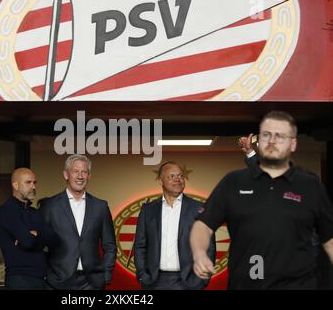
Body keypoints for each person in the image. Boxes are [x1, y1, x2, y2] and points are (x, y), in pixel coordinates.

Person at [190, 111, 333, 289]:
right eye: (266, 135)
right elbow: (203, 224)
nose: (272, 141)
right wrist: (199, 253)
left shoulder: (310, 185)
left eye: (280, 136)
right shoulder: (234, 182)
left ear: (293, 144)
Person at [38, 154, 116, 290]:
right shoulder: (50, 206)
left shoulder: (101, 207)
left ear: (89, 176)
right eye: (76, 171)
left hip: (92, 283)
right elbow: (41, 245)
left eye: (84, 172)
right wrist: (47, 275)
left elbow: (110, 246)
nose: (80, 176)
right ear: (66, 174)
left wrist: (105, 275)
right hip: (57, 282)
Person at [134, 161, 216, 290]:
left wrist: (202, 280)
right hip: (154, 282)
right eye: (172, 176)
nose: (178, 179)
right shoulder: (148, 210)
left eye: (180, 176)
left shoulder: (199, 209)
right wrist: (142, 276)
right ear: (161, 181)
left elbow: (209, 247)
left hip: (189, 282)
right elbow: (140, 246)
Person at [0, 168, 58, 290]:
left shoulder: (34, 213)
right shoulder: (6, 211)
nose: (33, 187)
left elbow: (54, 239)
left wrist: (36, 235)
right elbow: (28, 241)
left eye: (34, 183)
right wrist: (39, 239)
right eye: (28, 182)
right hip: (20, 280)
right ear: (15, 185)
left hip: (41, 279)